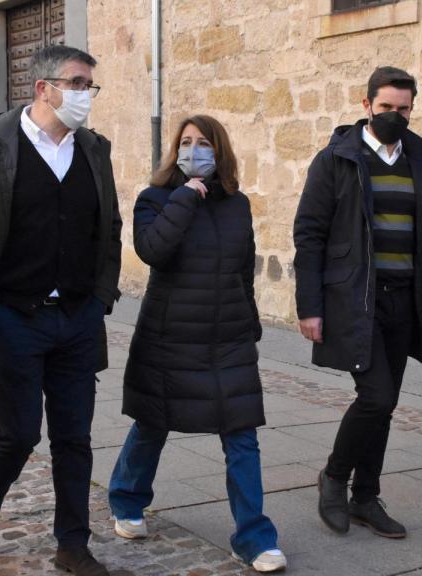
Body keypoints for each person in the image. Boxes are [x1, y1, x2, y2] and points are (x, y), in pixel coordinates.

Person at [0, 44, 122, 576]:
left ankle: (73, 543)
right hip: (14, 315)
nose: (85, 94)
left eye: (89, 85)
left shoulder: (93, 149)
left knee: (74, 437)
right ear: (43, 88)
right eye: (76, 83)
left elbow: (109, 226)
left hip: (77, 316)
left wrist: (101, 297)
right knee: (20, 431)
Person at [108, 115, 286, 573]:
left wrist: (251, 323)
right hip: (170, 336)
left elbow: (243, 269)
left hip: (227, 337)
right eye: (186, 142)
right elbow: (152, 250)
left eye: (203, 142)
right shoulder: (155, 198)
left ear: (219, 150)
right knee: (152, 423)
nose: (194, 150)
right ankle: (126, 499)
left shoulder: (237, 205)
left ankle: (254, 538)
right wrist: (185, 197)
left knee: (242, 434)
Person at [293, 66, 422, 539]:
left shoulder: (419, 162)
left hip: (405, 299)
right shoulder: (335, 160)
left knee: (386, 402)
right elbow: (309, 234)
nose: (395, 116)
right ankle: (334, 478)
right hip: (357, 298)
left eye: (403, 108)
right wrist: (309, 306)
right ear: (366, 105)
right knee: (376, 396)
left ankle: (365, 496)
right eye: (385, 107)